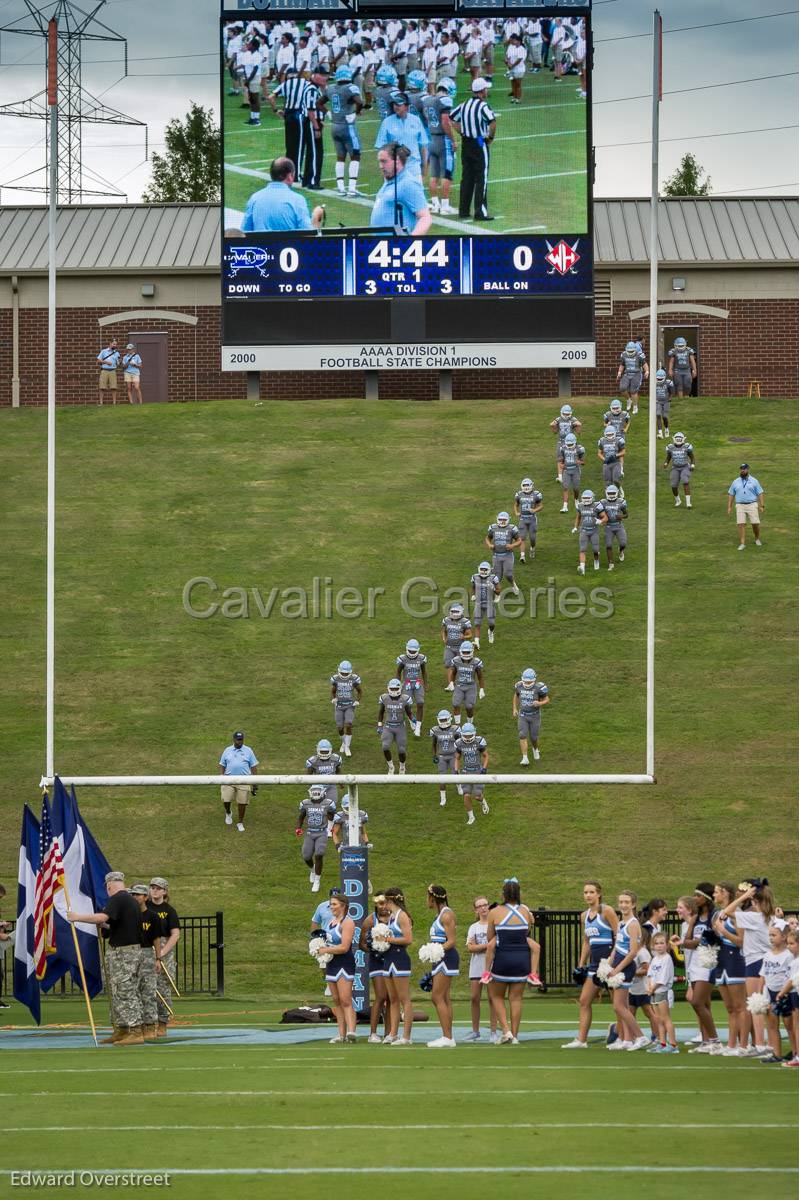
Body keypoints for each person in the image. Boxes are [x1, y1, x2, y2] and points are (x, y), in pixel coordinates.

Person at [66, 870, 145, 1046]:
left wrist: (77, 918)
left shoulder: (118, 899)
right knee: (118, 991)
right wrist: (103, 924)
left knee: (125, 991)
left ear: (109, 886)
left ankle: (135, 1030)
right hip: (125, 951)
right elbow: (115, 923)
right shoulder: (130, 901)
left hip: (124, 953)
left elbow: (103, 916)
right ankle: (123, 1029)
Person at [718, 880, 776, 1056]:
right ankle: (767, 1044)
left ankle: (759, 1044)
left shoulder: (754, 917)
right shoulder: (770, 917)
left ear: (754, 900)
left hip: (755, 961)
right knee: (764, 1005)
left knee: (755, 1005)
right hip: (765, 961)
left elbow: (727, 911)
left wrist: (744, 896)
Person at [562, 880, 619, 1049]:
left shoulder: (606, 911)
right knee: (584, 1000)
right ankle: (581, 1040)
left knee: (618, 1004)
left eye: (591, 892)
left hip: (610, 964)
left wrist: (612, 961)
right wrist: (581, 964)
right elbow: (587, 942)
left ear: (599, 894)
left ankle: (624, 1036)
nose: (588, 895)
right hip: (594, 966)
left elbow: (618, 936)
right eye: (585, 892)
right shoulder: (583, 916)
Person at [671, 883, 721, 1053]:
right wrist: (688, 940)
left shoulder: (715, 916)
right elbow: (689, 942)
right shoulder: (695, 918)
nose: (694, 898)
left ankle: (715, 1040)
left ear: (706, 898)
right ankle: (706, 1041)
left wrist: (690, 942)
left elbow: (711, 938)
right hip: (694, 965)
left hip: (707, 964)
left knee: (697, 1002)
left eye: (698, 895)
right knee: (703, 1004)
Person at [484, 878, 532, 1044]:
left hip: (503, 959)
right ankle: (515, 1036)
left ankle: (506, 1030)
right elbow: (526, 934)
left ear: (503, 894)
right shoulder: (525, 912)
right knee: (516, 998)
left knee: (496, 996)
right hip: (522, 959)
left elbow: (490, 938)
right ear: (518, 893)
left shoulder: (495, 912)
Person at [606, 890, 649, 1052]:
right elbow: (617, 947)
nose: (623, 905)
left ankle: (640, 1036)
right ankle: (627, 1039)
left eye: (627, 902)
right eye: (621, 902)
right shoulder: (621, 923)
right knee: (622, 1005)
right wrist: (608, 964)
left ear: (633, 904)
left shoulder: (633, 924)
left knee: (619, 1007)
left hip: (625, 967)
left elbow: (632, 952)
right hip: (618, 965)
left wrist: (617, 969)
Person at [312, 894, 357, 1043]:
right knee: (337, 1001)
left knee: (346, 1000)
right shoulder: (330, 922)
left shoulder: (348, 922)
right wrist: (319, 947)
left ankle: (351, 1032)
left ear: (343, 905)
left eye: (334, 904)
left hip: (344, 963)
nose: (331, 907)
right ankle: (341, 1034)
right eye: (331, 904)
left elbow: (344, 947)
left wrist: (325, 951)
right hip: (331, 964)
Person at [710, 882, 748, 1056]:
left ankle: (743, 1045)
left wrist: (722, 932)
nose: (714, 895)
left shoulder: (737, 914)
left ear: (725, 893)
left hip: (735, 961)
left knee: (741, 1006)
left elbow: (742, 941)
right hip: (721, 961)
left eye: (717, 892)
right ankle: (731, 1044)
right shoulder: (718, 914)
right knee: (730, 1008)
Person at [450, 78, 496, 221]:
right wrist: (489, 138)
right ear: (482, 91)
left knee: (467, 177)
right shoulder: (483, 106)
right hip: (479, 141)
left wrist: (462, 132)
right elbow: (492, 122)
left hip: (466, 142)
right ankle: (480, 212)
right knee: (482, 176)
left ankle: (463, 210)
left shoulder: (464, 104)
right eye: (486, 89)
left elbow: (452, 118)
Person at [370, 144, 432, 234]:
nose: (381, 166)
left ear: (397, 160)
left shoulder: (408, 183)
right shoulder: (390, 181)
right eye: (379, 162)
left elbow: (425, 218)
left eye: (384, 161)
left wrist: (409, 243)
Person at [425, 884, 459, 1048]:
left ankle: (447, 1037)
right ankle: (448, 1036)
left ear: (433, 898)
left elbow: (452, 941)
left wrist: (435, 949)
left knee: (436, 997)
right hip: (439, 958)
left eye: (427, 897)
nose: (427, 901)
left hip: (446, 958)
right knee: (444, 997)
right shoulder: (440, 915)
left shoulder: (446, 915)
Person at [147, 876, 180, 1038]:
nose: (155, 890)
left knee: (163, 989)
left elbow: (175, 934)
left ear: (165, 891)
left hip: (163, 952)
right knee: (146, 989)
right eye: (152, 887)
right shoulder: (143, 907)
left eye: (158, 888)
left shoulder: (169, 911)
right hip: (146, 951)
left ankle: (162, 1024)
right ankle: (147, 1023)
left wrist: (161, 953)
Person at [757, 922, 795, 1063]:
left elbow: (791, 976)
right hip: (770, 994)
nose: (771, 938)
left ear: (784, 936)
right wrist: (759, 993)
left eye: (774, 935)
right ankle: (776, 1053)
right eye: (770, 935)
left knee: (789, 1025)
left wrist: (784, 992)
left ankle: (795, 1052)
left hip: (785, 994)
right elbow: (763, 975)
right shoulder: (767, 955)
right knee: (772, 1025)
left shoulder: (788, 955)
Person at [382, 886, 414, 1045]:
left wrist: (387, 940)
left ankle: (406, 1036)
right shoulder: (391, 916)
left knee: (404, 999)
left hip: (400, 958)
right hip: (388, 958)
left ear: (390, 900)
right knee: (392, 999)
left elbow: (408, 939)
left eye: (385, 901)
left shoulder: (403, 916)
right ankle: (393, 1033)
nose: (383, 905)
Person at [327, 64, 364, 197]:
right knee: (355, 155)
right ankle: (352, 188)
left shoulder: (331, 88)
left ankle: (341, 188)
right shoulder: (350, 88)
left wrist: (327, 112)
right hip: (347, 126)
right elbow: (360, 102)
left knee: (340, 157)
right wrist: (357, 112)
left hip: (334, 126)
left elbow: (319, 102)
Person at [420, 78, 456, 215]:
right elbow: (445, 121)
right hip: (442, 139)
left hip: (431, 139)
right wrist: (453, 140)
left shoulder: (428, 99)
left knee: (434, 174)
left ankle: (435, 204)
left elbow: (426, 116)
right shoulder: (445, 100)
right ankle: (445, 206)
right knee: (447, 172)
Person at [464, 896, 497, 1042]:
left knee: (493, 998)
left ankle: (494, 1032)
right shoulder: (474, 927)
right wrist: (487, 946)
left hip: (491, 966)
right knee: (474, 998)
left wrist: (482, 946)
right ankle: (475, 1030)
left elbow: (496, 945)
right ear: (475, 910)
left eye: (485, 905)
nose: (483, 908)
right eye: (480, 906)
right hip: (477, 966)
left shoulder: (494, 925)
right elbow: (470, 947)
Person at [375, 91, 429, 179]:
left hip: (414, 168)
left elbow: (423, 146)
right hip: (394, 169)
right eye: (394, 104)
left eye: (399, 104)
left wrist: (424, 167)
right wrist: (385, 168)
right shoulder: (387, 122)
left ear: (407, 106)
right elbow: (381, 147)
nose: (396, 106)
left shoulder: (416, 120)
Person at [360, 893, 391, 1043]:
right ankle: (372, 1033)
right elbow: (362, 944)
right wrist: (375, 948)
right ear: (376, 905)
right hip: (377, 961)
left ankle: (389, 1033)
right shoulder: (370, 920)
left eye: (385, 903)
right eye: (380, 904)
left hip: (392, 960)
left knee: (392, 998)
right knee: (381, 996)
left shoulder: (395, 918)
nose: (383, 907)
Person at [130, 884, 160, 1042]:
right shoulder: (129, 915)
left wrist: (158, 958)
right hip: (131, 952)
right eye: (133, 894)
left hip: (147, 952)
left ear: (145, 897)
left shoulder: (152, 916)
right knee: (133, 990)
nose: (136, 897)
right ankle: (138, 1025)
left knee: (148, 991)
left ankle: (150, 1025)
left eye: (139, 894)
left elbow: (156, 938)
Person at [268, 68, 313, 169]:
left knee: (290, 145)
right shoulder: (306, 83)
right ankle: (296, 173)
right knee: (300, 145)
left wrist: (275, 110)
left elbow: (271, 97)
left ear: (288, 75)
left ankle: (288, 171)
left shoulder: (285, 84)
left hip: (288, 115)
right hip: (300, 115)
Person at [297, 784, 337, 894]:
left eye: (317, 791)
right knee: (306, 856)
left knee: (319, 854)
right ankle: (312, 870)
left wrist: (330, 827)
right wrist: (298, 828)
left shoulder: (327, 803)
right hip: (310, 832)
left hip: (321, 833)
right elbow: (301, 816)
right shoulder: (306, 803)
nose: (315, 793)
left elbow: (332, 814)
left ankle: (317, 881)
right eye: (314, 791)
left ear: (323, 792)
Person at [219, 730, 259, 832]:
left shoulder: (248, 750)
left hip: (244, 780)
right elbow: (222, 764)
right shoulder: (227, 750)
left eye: (241, 740)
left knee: (242, 802)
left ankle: (240, 822)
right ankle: (228, 812)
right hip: (228, 779)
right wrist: (221, 776)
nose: (240, 742)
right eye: (238, 740)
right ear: (234, 740)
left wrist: (255, 782)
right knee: (226, 799)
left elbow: (253, 766)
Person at [646, 932, 678, 1053]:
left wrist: (652, 988)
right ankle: (662, 1043)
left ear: (666, 945)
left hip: (662, 991)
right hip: (653, 992)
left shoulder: (667, 959)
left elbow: (662, 978)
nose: (659, 946)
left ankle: (673, 1045)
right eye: (656, 943)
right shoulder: (655, 959)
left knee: (666, 1018)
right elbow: (650, 975)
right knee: (658, 1019)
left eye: (662, 943)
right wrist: (649, 987)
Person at [377, 678, 415, 775]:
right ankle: (391, 766)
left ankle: (402, 766)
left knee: (401, 749)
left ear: (400, 688)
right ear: (388, 688)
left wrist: (413, 719)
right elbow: (381, 712)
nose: (394, 691)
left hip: (400, 726)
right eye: (392, 689)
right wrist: (380, 725)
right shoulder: (385, 698)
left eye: (395, 689)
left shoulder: (404, 699)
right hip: (388, 726)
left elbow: (408, 712)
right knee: (385, 747)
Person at [454, 722, 489, 826]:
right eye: (466, 736)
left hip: (477, 771)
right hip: (466, 771)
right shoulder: (459, 743)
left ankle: (483, 801)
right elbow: (457, 758)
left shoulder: (479, 742)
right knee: (466, 795)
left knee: (477, 796)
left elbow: (486, 756)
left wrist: (484, 769)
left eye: (470, 735)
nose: (468, 738)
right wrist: (456, 770)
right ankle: (471, 816)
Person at [513, 667, 549, 766]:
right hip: (523, 715)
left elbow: (547, 699)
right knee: (522, 735)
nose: (527, 683)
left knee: (533, 737)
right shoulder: (519, 685)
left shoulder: (539, 688)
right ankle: (525, 758)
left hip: (535, 716)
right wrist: (515, 708)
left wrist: (539, 703)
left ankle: (535, 749)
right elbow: (516, 695)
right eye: (526, 681)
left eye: (529, 682)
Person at [302, 65, 330, 189]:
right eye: (322, 75)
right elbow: (310, 110)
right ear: (315, 75)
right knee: (316, 152)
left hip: (314, 121)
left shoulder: (315, 87)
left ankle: (308, 179)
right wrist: (316, 126)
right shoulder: (312, 89)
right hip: (312, 121)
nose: (325, 78)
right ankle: (313, 182)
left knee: (313, 152)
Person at [727, 462, 764, 550]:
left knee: (755, 524)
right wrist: (729, 506)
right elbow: (731, 494)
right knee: (741, 524)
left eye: (744, 469)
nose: (743, 470)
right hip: (740, 505)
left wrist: (762, 505)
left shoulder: (754, 481)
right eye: (741, 469)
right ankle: (742, 543)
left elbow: (760, 493)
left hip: (752, 504)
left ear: (748, 469)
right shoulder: (735, 481)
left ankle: (757, 538)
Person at [448, 640, 485, 726]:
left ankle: (470, 724)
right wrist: (451, 682)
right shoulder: (456, 660)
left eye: (467, 652)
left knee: (469, 707)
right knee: (456, 704)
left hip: (471, 686)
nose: (465, 654)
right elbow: (453, 673)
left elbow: (480, 676)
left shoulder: (476, 662)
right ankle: (457, 725)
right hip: (459, 685)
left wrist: (482, 689)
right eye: (464, 652)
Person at [396, 638, 427, 736]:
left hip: (417, 683)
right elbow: (398, 672)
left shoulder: (421, 658)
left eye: (414, 651)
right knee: (406, 704)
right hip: (407, 683)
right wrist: (397, 684)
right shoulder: (403, 659)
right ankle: (411, 719)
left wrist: (426, 684)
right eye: (410, 651)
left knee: (420, 703)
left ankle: (418, 727)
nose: (412, 653)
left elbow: (424, 671)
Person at [330, 659, 362, 757]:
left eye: (345, 673)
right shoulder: (336, 679)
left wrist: (357, 700)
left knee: (348, 724)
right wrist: (334, 698)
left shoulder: (353, 679)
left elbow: (360, 691)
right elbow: (333, 691)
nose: (344, 675)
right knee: (340, 727)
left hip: (349, 705)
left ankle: (347, 746)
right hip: (339, 706)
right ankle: (344, 742)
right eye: (342, 673)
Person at [429, 708, 459, 808]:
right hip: (442, 756)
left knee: (455, 773)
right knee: (442, 777)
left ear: (449, 719)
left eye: (445, 720)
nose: (443, 722)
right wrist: (434, 755)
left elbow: (459, 744)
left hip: (452, 755)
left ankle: (458, 786)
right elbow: (433, 744)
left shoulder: (455, 729)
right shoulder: (435, 730)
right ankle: (443, 798)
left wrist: (458, 755)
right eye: (441, 720)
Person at [485, 512, 521, 595]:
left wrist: (512, 545)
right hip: (496, 555)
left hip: (507, 555)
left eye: (504, 520)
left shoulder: (512, 528)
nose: (502, 521)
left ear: (508, 519)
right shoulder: (493, 527)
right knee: (497, 577)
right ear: (497, 519)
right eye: (500, 519)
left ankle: (513, 585)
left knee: (508, 574)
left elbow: (519, 541)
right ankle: (497, 595)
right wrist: (489, 544)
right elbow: (488, 538)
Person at [573, 488, 607, 575]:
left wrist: (600, 521)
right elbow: (578, 517)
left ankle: (596, 560)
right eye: (584, 498)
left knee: (595, 550)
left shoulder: (596, 505)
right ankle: (582, 569)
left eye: (588, 498)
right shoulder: (580, 506)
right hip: (584, 530)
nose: (586, 500)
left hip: (594, 531)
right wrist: (575, 527)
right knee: (582, 549)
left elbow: (605, 517)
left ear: (592, 498)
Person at [441, 601, 472, 689]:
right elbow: (443, 631)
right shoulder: (446, 620)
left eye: (456, 612)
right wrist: (444, 638)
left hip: (460, 647)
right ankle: (450, 684)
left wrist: (464, 636)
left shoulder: (465, 622)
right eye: (453, 612)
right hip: (449, 647)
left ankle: (463, 683)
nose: (454, 614)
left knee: (461, 666)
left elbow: (470, 635)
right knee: (448, 665)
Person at [470, 561, 500, 649]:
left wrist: (493, 588)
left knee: (491, 623)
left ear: (489, 570)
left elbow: (499, 590)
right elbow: (472, 587)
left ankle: (490, 632)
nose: (483, 571)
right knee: (477, 624)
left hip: (489, 603)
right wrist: (473, 595)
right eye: (482, 569)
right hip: (478, 604)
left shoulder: (493, 578)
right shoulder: (475, 577)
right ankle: (477, 642)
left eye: (485, 569)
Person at [598, 484, 628, 571]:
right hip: (608, 526)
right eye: (609, 493)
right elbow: (599, 513)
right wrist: (601, 519)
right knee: (608, 545)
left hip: (618, 525)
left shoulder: (621, 501)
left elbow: (626, 514)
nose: (611, 495)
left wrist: (621, 516)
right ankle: (611, 563)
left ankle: (621, 550)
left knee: (623, 543)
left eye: (612, 493)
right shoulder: (603, 502)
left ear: (616, 493)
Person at [514, 478, 543, 564]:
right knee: (522, 537)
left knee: (532, 538)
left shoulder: (536, 494)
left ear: (531, 485)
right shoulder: (519, 494)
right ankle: (522, 556)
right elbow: (516, 505)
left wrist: (535, 510)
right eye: (524, 485)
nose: (526, 487)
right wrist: (516, 512)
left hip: (532, 518)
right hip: (523, 518)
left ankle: (532, 548)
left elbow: (541, 505)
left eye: (527, 485)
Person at [305, 738, 342, 804]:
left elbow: (338, 770)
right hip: (317, 785)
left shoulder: (335, 759)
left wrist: (341, 782)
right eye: (322, 751)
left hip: (331, 784)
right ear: (318, 750)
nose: (324, 753)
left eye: (326, 752)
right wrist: (311, 785)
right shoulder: (313, 761)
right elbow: (308, 774)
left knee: (332, 804)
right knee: (318, 804)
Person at [551, 403, 582, 482]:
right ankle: (560, 476)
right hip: (561, 441)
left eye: (567, 414)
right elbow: (554, 431)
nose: (566, 415)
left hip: (571, 442)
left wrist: (578, 425)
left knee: (574, 457)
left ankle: (576, 473)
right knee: (560, 459)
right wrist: (553, 426)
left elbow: (578, 432)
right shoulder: (558, 419)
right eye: (564, 414)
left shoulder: (573, 419)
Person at [663, 432, 695, 509]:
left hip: (685, 467)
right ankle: (678, 500)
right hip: (675, 467)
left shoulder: (686, 447)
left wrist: (692, 465)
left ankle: (688, 503)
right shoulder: (671, 447)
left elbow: (692, 457)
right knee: (673, 485)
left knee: (685, 481)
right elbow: (668, 457)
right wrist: (666, 463)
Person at [616, 340, 648, 415]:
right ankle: (628, 400)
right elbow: (622, 364)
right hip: (627, 373)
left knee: (633, 391)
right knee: (622, 388)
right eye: (629, 351)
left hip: (636, 373)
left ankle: (635, 406)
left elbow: (644, 364)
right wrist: (619, 372)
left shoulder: (639, 355)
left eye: (631, 351)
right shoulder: (624, 354)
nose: (630, 353)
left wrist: (647, 371)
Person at [558, 433, 586, 514]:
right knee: (565, 487)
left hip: (575, 470)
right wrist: (561, 465)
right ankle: (565, 506)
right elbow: (561, 460)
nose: (569, 445)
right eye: (568, 444)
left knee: (576, 488)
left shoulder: (579, 449)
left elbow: (584, 462)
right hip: (566, 470)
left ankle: (576, 500)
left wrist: (579, 462)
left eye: (571, 444)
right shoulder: (563, 448)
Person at [97, 337, 120, 406]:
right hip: (104, 370)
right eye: (113, 344)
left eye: (115, 344)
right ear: (110, 344)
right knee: (102, 387)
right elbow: (98, 360)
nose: (115, 345)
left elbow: (118, 362)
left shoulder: (117, 353)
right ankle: (101, 403)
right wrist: (106, 362)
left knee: (114, 387)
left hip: (113, 371)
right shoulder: (103, 351)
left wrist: (119, 362)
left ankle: (114, 403)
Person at [505, 32, 526, 104]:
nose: (513, 42)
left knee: (518, 84)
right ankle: (514, 97)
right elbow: (509, 56)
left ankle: (518, 98)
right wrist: (508, 63)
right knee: (513, 83)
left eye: (515, 41)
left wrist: (512, 65)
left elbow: (519, 59)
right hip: (512, 68)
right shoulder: (513, 48)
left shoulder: (521, 49)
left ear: (519, 41)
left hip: (519, 69)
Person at [655, 368, 674, 439]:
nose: (659, 380)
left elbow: (672, 392)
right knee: (658, 415)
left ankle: (666, 429)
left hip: (666, 401)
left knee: (665, 417)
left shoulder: (668, 383)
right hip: (658, 401)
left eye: (660, 379)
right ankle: (660, 432)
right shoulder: (654, 382)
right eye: (658, 379)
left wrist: (669, 399)